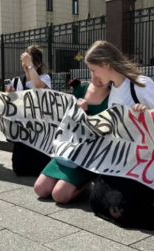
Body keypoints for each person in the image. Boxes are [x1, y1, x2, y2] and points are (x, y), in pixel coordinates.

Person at [84, 40, 154, 230]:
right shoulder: (113, 88)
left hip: (148, 161)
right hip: (125, 160)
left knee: (118, 209)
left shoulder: (140, 85)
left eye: (94, 69)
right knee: (96, 201)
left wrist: (146, 117)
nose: (93, 75)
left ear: (106, 64)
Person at [34, 75, 110, 203]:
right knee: (40, 189)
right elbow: (67, 120)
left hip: (88, 155)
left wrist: (86, 114)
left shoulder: (114, 96)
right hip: (68, 150)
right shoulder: (81, 89)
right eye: (93, 71)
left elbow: (105, 131)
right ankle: (71, 182)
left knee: (60, 196)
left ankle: (88, 180)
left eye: (101, 74)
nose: (98, 79)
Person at [7, 45, 52, 176]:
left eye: (29, 62)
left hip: (39, 128)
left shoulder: (44, 78)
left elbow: (37, 86)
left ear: (37, 64)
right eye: (24, 62)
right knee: (19, 169)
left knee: (38, 169)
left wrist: (30, 65)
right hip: (22, 129)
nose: (25, 65)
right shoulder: (16, 81)